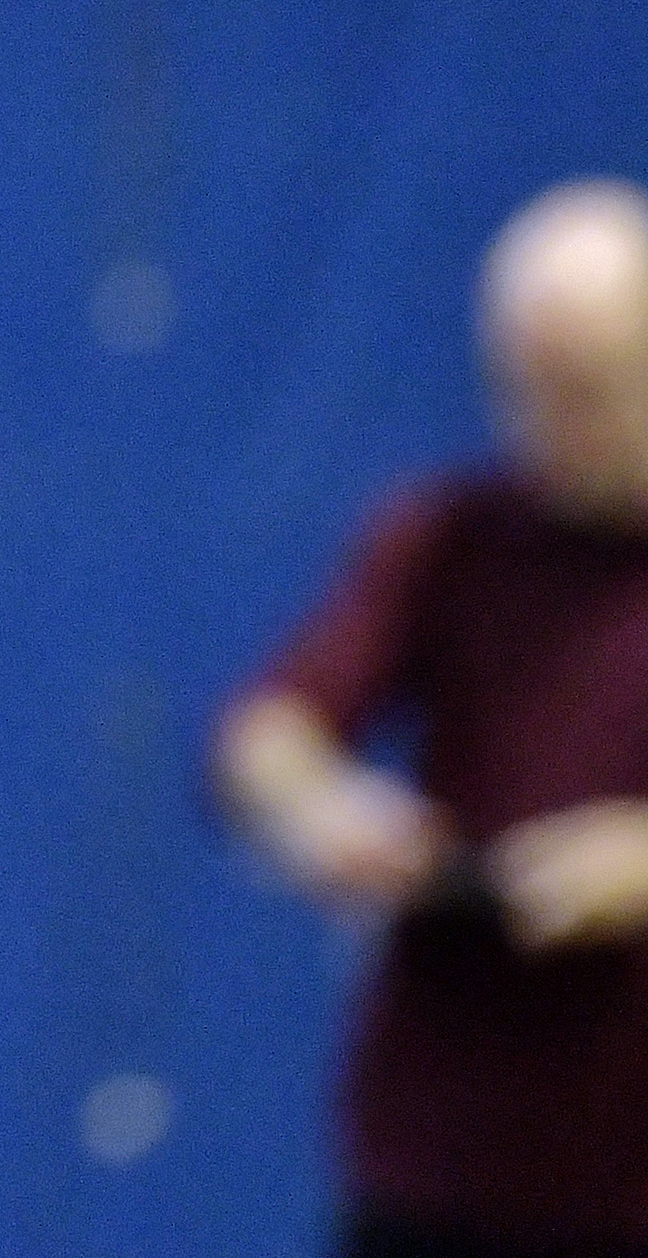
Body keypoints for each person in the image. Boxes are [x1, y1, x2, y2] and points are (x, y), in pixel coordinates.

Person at [219, 177, 648, 1258]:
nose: (551, 429)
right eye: (523, 390)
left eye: (589, 390)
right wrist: (324, 812)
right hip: (444, 1166)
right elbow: (268, 730)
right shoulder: (451, 539)